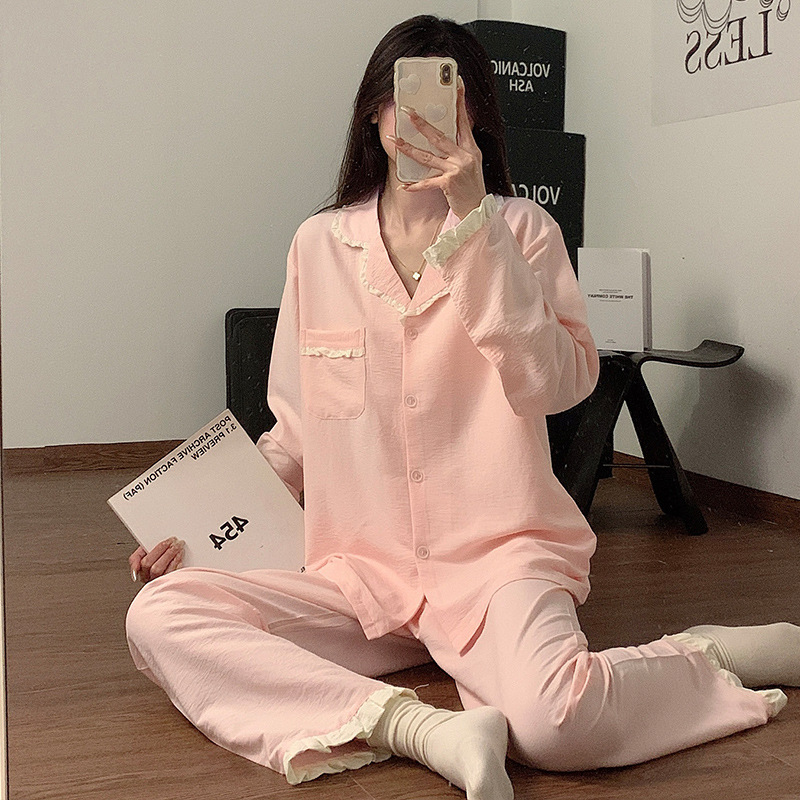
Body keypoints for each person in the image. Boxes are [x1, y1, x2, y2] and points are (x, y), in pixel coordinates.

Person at [126, 15, 800, 800]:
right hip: (361, 576)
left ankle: (705, 657)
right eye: (400, 94)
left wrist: (476, 226)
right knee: (160, 613)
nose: (418, 115)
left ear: (475, 113)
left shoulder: (524, 231)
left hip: (495, 561)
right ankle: (422, 729)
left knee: (555, 727)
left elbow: (557, 385)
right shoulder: (318, 245)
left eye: (444, 95)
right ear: (371, 112)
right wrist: (197, 531)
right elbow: (297, 434)